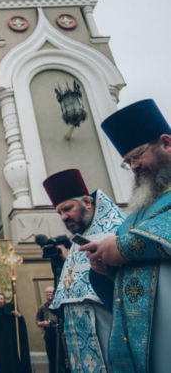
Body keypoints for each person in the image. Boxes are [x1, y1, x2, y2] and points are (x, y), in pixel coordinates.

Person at [81, 99, 171, 372]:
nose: (133, 167)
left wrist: (121, 247)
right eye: (127, 162)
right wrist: (106, 266)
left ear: (167, 143)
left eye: (137, 156)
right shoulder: (136, 215)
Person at [43, 168, 125, 373]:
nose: (63, 217)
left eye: (68, 208)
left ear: (87, 202)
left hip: (110, 330)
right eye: (60, 212)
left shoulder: (117, 230)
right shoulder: (78, 239)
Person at [0, 293, 31, 373]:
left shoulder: (10, 310)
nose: (0, 301)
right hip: (1, 342)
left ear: (4, 300)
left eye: (1, 299)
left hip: (11, 340)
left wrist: (19, 317)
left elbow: (19, 324)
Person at [35, 286, 65, 373]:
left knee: (61, 357)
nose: (49, 294)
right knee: (51, 358)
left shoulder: (59, 305)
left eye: (50, 292)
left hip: (60, 334)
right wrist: (44, 323)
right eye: (47, 293)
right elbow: (37, 321)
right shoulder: (42, 307)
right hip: (49, 334)